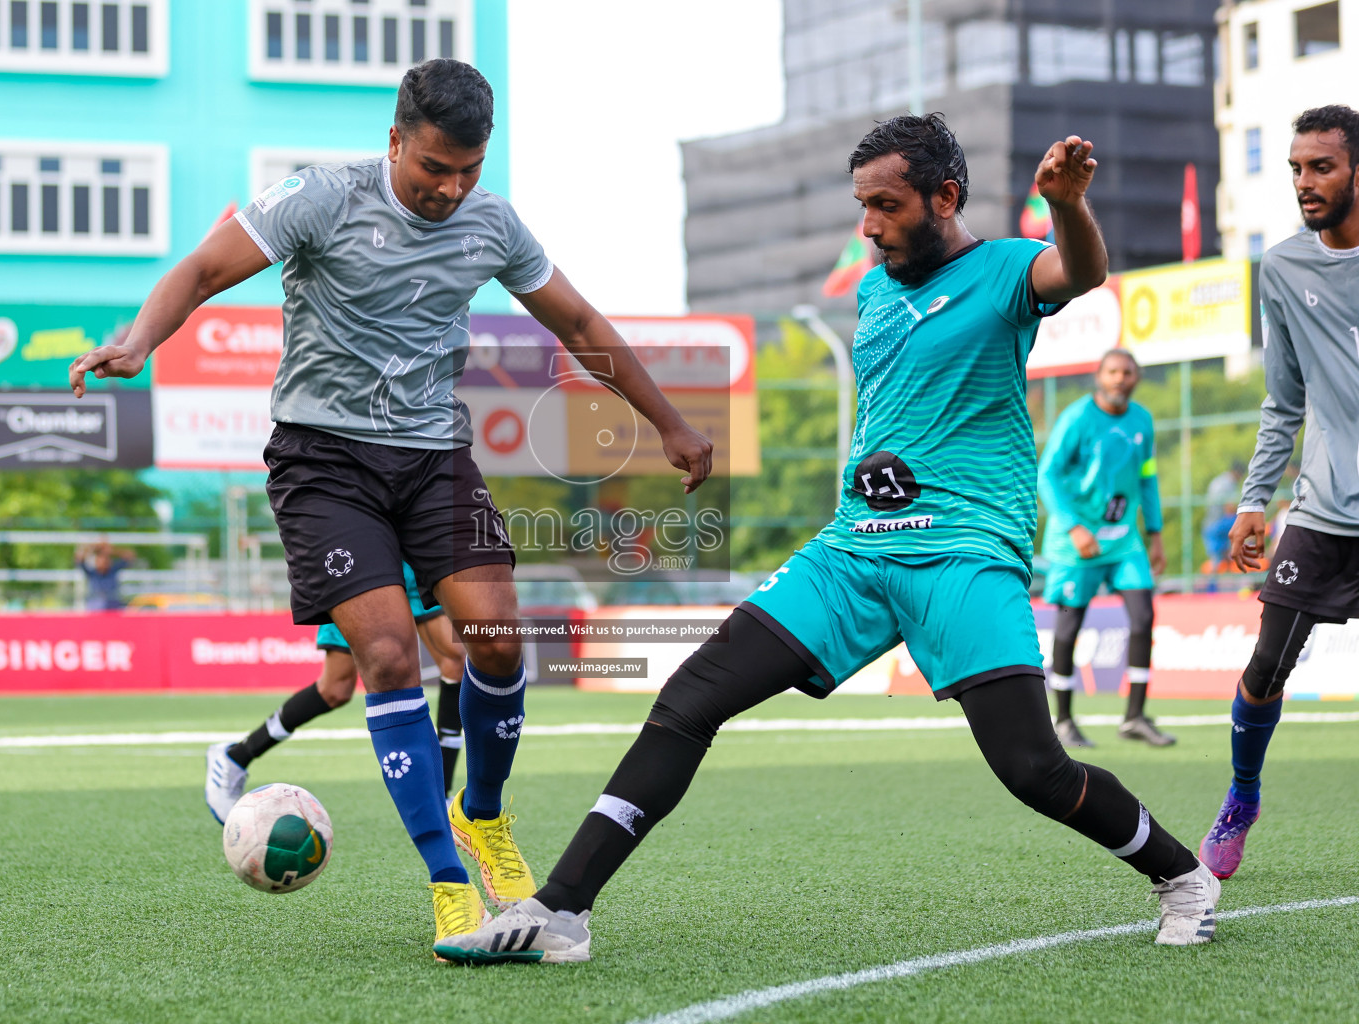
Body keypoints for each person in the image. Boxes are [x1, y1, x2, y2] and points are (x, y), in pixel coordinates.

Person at [437, 115, 1220, 965]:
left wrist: (1065, 205)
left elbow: (1082, 269)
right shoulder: (876, 286)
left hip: (961, 554)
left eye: (886, 206)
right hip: (852, 552)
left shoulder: (1004, 272)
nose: (869, 225)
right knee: (691, 698)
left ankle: (1183, 876)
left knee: (1034, 769)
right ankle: (561, 911)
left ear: (944, 197)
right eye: (862, 205)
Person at [70, 59, 711, 948]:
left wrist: (669, 423)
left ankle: (481, 816)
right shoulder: (320, 199)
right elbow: (204, 269)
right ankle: (449, 884)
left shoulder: (493, 223)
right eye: (433, 170)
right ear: (395, 142)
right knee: (384, 654)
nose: (451, 190)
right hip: (322, 460)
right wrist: (140, 341)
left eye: (468, 172)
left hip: (433, 455)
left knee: (495, 637)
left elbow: (581, 325)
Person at [1200, 105, 1359, 880]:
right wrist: (1253, 501)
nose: (1304, 182)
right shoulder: (1286, 270)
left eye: (1321, 166)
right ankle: (1242, 795)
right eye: (1297, 168)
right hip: (1326, 511)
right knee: (1265, 668)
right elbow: (1283, 401)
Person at [205, 563, 468, 820]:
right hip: (361, 562)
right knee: (335, 689)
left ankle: (440, 796)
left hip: (410, 560)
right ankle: (236, 756)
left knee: (455, 659)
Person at [1037, 348, 1174, 748]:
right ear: (1100, 376)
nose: (1120, 378)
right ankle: (1062, 721)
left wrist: (1156, 533)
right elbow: (1047, 475)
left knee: (1144, 616)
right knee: (1068, 627)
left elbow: (1146, 478)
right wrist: (1075, 528)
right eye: (1113, 371)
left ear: (1136, 378)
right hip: (1075, 546)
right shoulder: (1077, 418)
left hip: (1125, 542)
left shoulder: (1142, 421)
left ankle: (1134, 717)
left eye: (1128, 372)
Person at [75, 541, 134, 611]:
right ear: (96, 561)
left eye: (106, 560)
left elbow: (130, 556)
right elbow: (79, 559)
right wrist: (92, 548)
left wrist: (112, 551)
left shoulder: (113, 570)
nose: (103, 562)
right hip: (95, 608)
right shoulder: (91, 573)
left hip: (113, 606)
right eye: (100, 560)